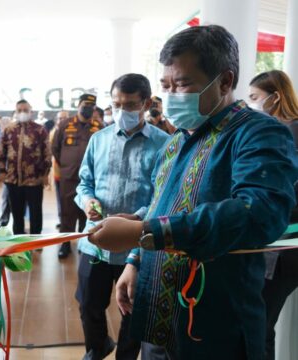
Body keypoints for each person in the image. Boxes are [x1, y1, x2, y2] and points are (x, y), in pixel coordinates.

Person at [88, 25, 298, 359]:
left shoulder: (258, 134)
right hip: (159, 312)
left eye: (183, 84)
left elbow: (260, 213)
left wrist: (142, 232)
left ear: (225, 82)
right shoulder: (175, 143)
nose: (171, 95)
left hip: (216, 324)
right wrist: (134, 259)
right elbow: (158, 207)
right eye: (165, 86)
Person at [75, 73, 169, 360]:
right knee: (88, 304)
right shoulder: (98, 139)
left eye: (129, 105)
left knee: (131, 309)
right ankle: (97, 346)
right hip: (95, 240)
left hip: (136, 245)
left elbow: (162, 195)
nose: (121, 112)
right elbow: (84, 182)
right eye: (116, 104)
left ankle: (125, 357)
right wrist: (87, 200)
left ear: (146, 103)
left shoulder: (164, 144)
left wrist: (137, 218)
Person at [248, 69, 298, 360]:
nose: (251, 104)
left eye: (255, 98)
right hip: (281, 245)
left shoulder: (287, 134)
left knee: (259, 327)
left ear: (275, 97)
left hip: (283, 248)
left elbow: (282, 192)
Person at [52, 94, 104, 259]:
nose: (88, 108)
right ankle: (65, 244)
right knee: (67, 213)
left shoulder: (99, 126)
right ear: (78, 105)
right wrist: (67, 166)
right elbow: (55, 148)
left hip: (91, 180)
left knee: (87, 212)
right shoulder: (65, 124)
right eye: (85, 105)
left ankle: (85, 243)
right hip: (69, 178)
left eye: (92, 106)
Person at [0, 99, 51, 235]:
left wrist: (45, 174)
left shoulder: (40, 130)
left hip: (35, 179)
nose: (22, 113)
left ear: (31, 112)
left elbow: (47, 153)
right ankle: (19, 241)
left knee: (35, 211)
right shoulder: (9, 130)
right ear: (15, 112)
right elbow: (0, 152)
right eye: (19, 110)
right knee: (17, 213)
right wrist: (1, 171)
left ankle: (36, 239)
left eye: (25, 110)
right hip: (13, 180)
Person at [51, 110, 70, 229]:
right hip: (59, 172)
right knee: (61, 200)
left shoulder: (73, 132)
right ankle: (62, 220)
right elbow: (53, 151)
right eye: (60, 118)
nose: (62, 120)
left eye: (65, 118)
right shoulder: (53, 133)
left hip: (73, 174)